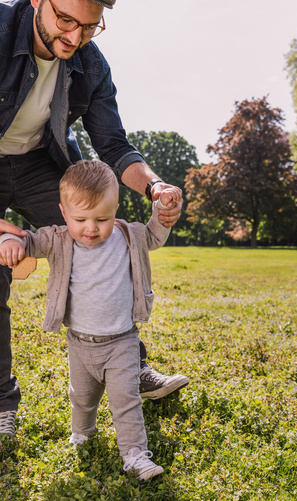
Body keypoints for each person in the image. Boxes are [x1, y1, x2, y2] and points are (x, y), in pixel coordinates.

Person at [0, 0, 189, 437]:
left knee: (100, 238)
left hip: (39, 163)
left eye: (88, 27)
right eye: (65, 20)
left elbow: (114, 145)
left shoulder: (90, 63)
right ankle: (1, 404)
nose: (73, 37)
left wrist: (156, 187)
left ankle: (131, 367)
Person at [0, 160, 180, 480]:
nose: (91, 228)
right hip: (80, 343)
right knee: (82, 399)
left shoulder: (127, 235)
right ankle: (82, 434)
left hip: (122, 340)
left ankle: (135, 455)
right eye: (80, 219)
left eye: (102, 218)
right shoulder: (57, 238)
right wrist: (9, 241)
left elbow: (153, 235)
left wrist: (162, 213)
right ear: (63, 212)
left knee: (126, 402)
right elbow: (29, 241)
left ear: (116, 209)